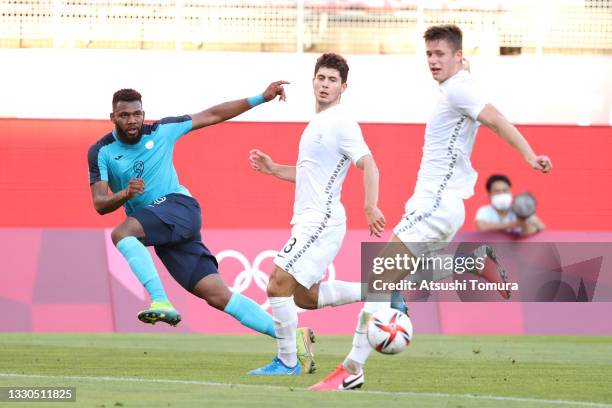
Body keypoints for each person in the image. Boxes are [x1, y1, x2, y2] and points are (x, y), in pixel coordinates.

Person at [309, 24, 552, 391]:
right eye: (429, 54)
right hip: (437, 205)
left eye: (440, 54)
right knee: (393, 280)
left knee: (378, 280)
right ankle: (471, 262)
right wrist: (463, 65)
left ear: (456, 56)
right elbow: (467, 77)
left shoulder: (459, 89)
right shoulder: (458, 82)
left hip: (434, 204)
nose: (433, 61)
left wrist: (529, 155)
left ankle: (352, 369)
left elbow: (495, 119)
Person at [87, 84, 315, 367]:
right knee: (217, 295)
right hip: (162, 230)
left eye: (136, 114)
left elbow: (213, 114)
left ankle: (160, 302)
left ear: (143, 113)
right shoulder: (101, 151)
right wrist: (124, 194)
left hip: (179, 207)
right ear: (113, 117)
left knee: (122, 233)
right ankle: (293, 337)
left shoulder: (162, 130)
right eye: (124, 115)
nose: (132, 121)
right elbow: (99, 203)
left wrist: (260, 98)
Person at [247, 53, 386, 376]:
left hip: (321, 220)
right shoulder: (317, 124)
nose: (325, 84)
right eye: (321, 78)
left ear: (343, 87)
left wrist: (370, 205)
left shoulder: (341, 122)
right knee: (306, 298)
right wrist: (272, 169)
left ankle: (287, 362)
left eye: (332, 80)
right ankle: (380, 290)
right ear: (313, 81)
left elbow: (369, 163)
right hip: (312, 219)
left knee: (277, 285)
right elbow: (310, 174)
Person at [475, 174, 545, 236]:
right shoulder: (484, 210)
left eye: (505, 190)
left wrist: (528, 228)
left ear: (510, 192)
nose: (501, 194)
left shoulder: (519, 208)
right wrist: (514, 225)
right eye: (497, 191)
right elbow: (481, 226)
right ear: (489, 195)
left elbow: (540, 226)